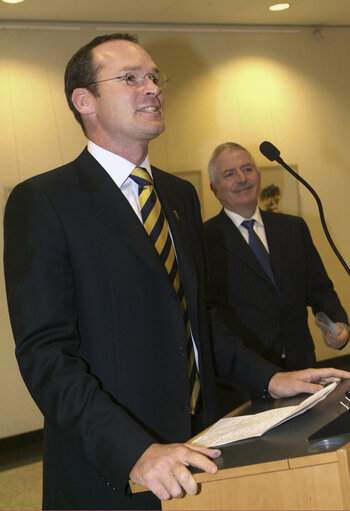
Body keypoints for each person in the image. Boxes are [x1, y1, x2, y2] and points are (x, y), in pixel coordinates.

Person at [3, 36, 350, 511]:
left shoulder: (179, 196)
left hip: (202, 444)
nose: (152, 89)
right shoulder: (44, 202)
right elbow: (45, 356)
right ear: (84, 101)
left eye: (154, 77)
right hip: (116, 467)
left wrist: (270, 378)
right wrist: (134, 452)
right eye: (130, 78)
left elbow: (198, 318)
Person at [204, 142, 349, 409]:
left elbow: (319, 289)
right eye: (229, 174)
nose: (242, 178)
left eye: (247, 169)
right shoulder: (202, 240)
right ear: (215, 189)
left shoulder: (293, 228)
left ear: (259, 176)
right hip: (245, 386)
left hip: (304, 371)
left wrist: (339, 323)